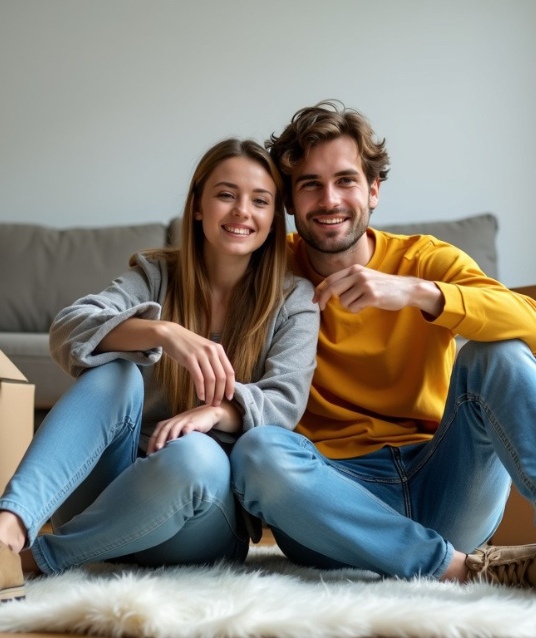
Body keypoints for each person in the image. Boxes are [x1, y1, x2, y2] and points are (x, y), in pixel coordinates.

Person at [230, 100, 536, 587]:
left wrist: (418, 294)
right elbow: (178, 275)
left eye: (346, 180)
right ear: (288, 201)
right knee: (258, 452)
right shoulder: (264, 271)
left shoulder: (424, 259)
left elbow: (531, 323)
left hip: (444, 483)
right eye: (310, 184)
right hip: (333, 502)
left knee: (497, 351)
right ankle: (452, 569)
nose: (329, 199)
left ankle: (436, 556)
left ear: (374, 191)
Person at [0, 138, 319, 602]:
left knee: (198, 455)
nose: (241, 212)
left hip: (200, 516)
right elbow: (67, 329)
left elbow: (285, 403)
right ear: (198, 206)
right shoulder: (156, 275)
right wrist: (164, 332)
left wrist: (215, 413)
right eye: (226, 194)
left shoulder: (295, 299)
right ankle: (9, 529)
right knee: (116, 374)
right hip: (106, 501)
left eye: (260, 200)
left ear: (274, 219)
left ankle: (39, 559)